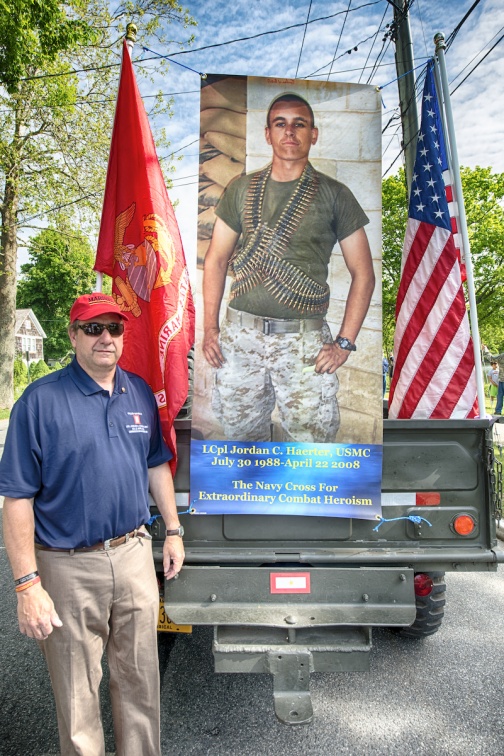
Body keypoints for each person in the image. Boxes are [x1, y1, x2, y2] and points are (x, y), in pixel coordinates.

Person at [0, 293, 185, 756]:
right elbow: (17, 498)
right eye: (93, 328)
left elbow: (155, 465)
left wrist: (174, 530)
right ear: (72, 335)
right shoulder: (39, 402)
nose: (106, 337)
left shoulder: (138, 390)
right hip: (67, 566)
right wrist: (27, 586)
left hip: (134, 555)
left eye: (114, 328)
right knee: (78, 695)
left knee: (141, 681)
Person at [202, 93, 375, 443]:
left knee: (309, 445)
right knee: (241, 444)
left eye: (300, 124)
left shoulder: (334, 194)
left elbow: (364, 274)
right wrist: (209, 329)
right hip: (240, 339)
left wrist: (344, 343)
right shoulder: (240, 189)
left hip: (303, 341)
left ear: (314, 134)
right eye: (280, 123)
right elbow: (216, 260)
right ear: (268, 134)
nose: (289, 131)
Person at [482, 345, 504, 415]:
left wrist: (485, 350)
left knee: (500, 396)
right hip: (501, 380)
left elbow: (492, 358)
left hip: (501, 380)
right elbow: (492, 359)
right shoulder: (502, 356)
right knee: (499, 396)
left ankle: (498, 411)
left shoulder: (502, 356)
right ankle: (498, 411)